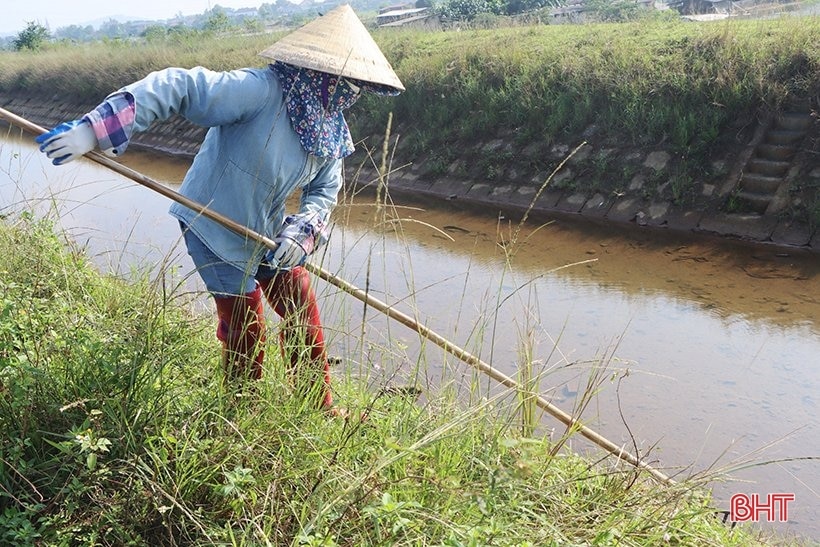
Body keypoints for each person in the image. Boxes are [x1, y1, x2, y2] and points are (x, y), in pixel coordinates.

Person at [35, 5, 404, 413]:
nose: (349, 93)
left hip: (267, 232)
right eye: (344, 81)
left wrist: (303, 229)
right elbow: (181, 86)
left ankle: (317, 405)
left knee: (302, 312)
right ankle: (238, 415)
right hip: (213, 222)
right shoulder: (260, 90)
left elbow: (324, 190)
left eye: (356, 85)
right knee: (247, 327)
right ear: (319, 71)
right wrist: (96, 129)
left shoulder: (330, 127)